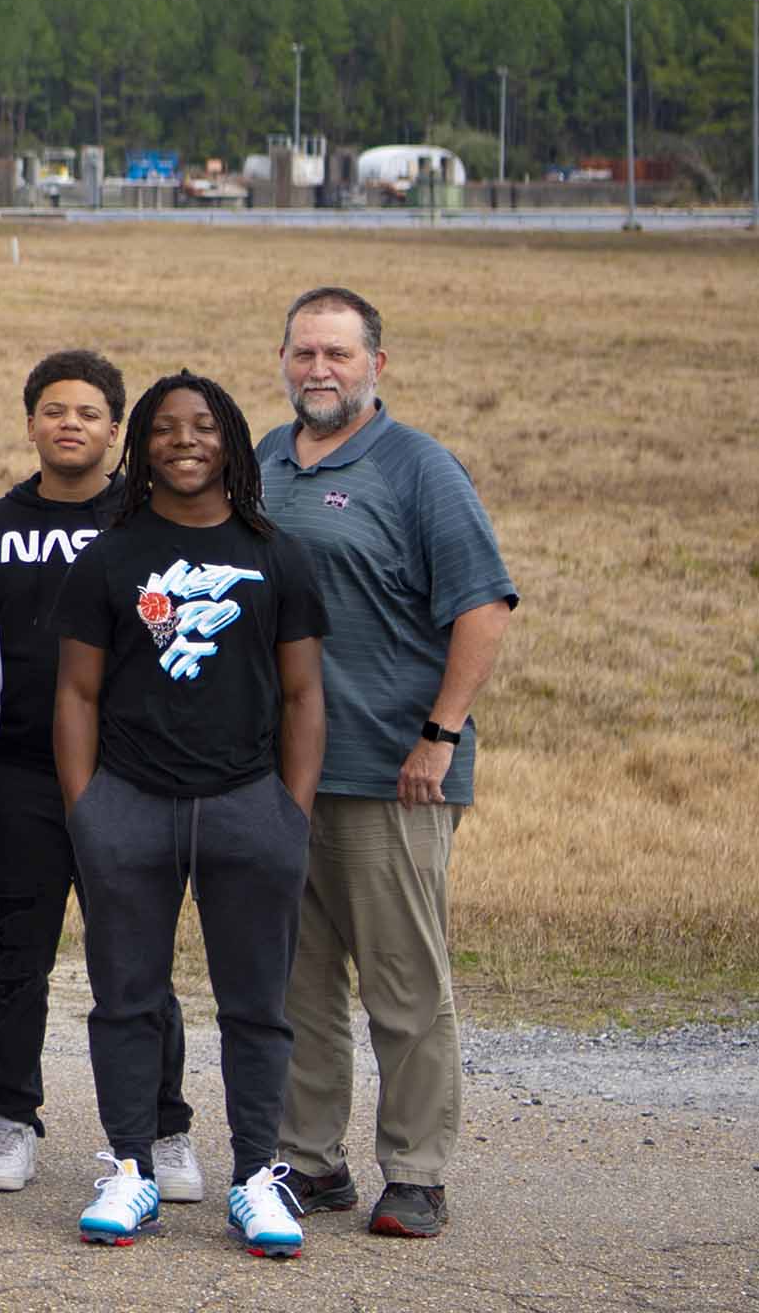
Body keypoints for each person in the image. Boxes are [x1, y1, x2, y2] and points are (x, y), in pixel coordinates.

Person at [259, 286, 517, 1242]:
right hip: (287, 777)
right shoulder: (266, 462)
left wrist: (439, 737)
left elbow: (484, 605)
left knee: (404, 984)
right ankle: (309, 1159)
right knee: (300, 980)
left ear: (377, 364)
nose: (318, 370)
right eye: (302, 354)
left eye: (337, 354)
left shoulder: (418, 469)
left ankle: (414, 1171)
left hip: (391, 771)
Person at [57, 372, 330, 1258]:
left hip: (248, 806)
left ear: (232, 442)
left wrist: (289, 813)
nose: (185, 440)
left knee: (257, 1005)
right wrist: (87, 809)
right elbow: (75, 691)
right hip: (129, 805)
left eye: (204, 427)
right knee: (125, 1000)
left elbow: (302, 696)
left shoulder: (277, 553)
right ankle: (131, 1171)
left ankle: (258, 1178)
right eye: (166, 428)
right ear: (140, 445)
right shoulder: (108, 554)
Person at [0, 350, 199, 1201]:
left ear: (114, 428)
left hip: (132, 780)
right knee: (12, 957)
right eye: (54, 410)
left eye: (90, 412)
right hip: (18, 777)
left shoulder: (148, 524)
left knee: (134, 961)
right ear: (30, 423)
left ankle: (162, 1128)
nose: (70, 424)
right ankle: (10, 1115)